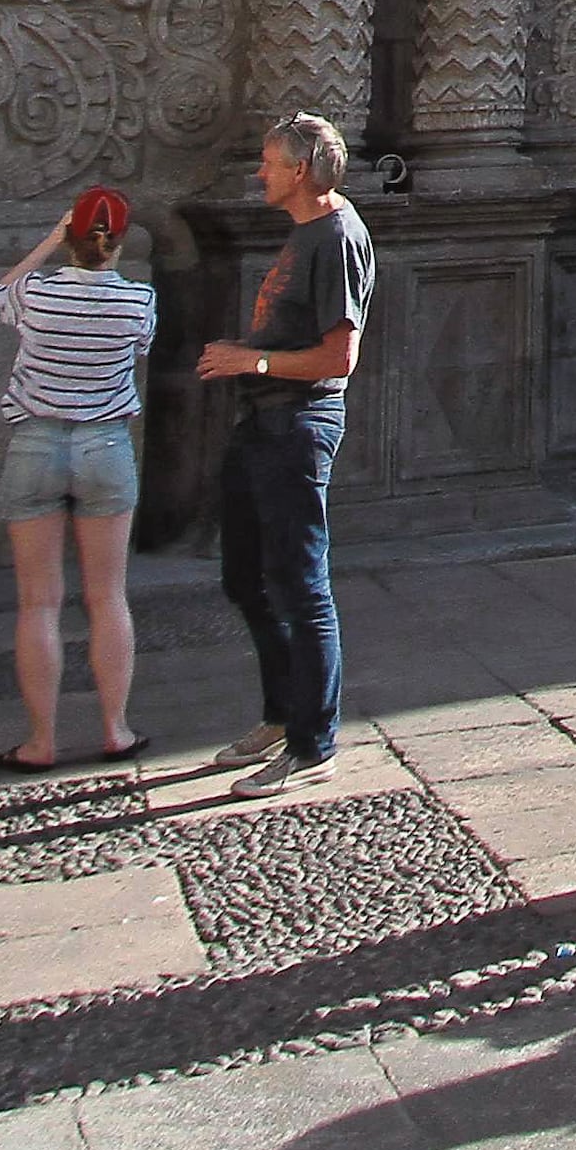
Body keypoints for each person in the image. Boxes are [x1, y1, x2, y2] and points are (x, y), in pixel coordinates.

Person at [202, 111, 376, 797]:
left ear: (300, 171)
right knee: (245, 575)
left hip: (299, 423)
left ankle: (313, 743)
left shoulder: (336, 236)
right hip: (264, 419)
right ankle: (281, 712)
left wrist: (254, 359)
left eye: (269, 161)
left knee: (302, 585)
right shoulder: (307, 232)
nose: (259, 172)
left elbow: (340, 356)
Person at [0, 184, 162, 771]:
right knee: (107, 595)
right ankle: (115, 728)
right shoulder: (138, 302)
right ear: (121, 242)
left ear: (71, 237)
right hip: (105, 447)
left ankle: (40, 740)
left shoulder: (34, 295)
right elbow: (140, 348)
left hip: (34, 444)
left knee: (39, 602)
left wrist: (45, 243)